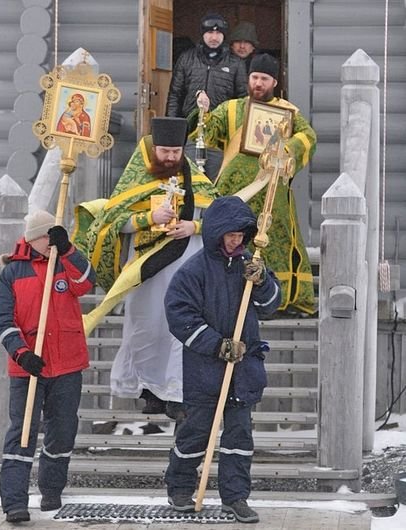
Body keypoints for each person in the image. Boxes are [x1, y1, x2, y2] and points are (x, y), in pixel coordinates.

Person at [78, 117, 218, 419]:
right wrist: (149, 218)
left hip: (185, 270)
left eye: (176, 152)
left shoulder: (197, 182)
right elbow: (111, 224)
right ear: (154, 148)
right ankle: (146, 390)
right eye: (165, 151)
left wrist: (192, 226)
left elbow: (218, 222)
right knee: (146, 328)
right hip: (146, 271)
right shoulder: (134, 181)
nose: (170, 158)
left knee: (177, 330)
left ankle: (175, 393)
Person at [164, 195, 281, 523]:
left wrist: (262, 282)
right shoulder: (193, 272)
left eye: (241, 233)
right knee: (195, 433)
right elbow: (179, 316)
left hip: (243, 372)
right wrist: (218, 345)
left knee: (239, 438)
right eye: (230, 234)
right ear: (216, 233)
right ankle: (180, 487)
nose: (237, 239)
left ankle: (235, 496)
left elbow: (271, 305)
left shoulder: (250, 266)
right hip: (205, 370)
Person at [192, 53, 317, 315]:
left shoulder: (287, 112)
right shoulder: (232, 109)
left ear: (274, 81)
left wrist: (287, 148)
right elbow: (209, 132)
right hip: (235, 193)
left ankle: (277, 300)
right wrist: (202, 110)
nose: (258, 83)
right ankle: (229, 297)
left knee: (277, 240)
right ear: (248, 79)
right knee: (231, 241)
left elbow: (308, 137)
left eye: (264, 78)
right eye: (254, 77)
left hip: (272, 192)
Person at [0, 210, 96, 523]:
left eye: (54, 236)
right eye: (46, 236)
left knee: (62, 431)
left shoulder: (64, 260)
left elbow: (87, 282)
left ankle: (51, 491)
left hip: (66, 363)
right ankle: (14, 503)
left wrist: (68, 250)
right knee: (22, 435)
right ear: (33, 237)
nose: (50, 242)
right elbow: (2, 320)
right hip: (28, 368)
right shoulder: (13, 272)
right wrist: (22, 353)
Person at [166, 14, 248, 180]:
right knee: (190, 181)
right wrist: (172, 133)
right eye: (209, 32)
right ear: (202, 34)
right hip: (190, 133)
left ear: (224, 36)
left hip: (220, 138)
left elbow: (243, 100)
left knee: (217, 182)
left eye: (218, 33)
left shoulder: (235, 63)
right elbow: (175, 95)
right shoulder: (186, 59)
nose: (214, 37)